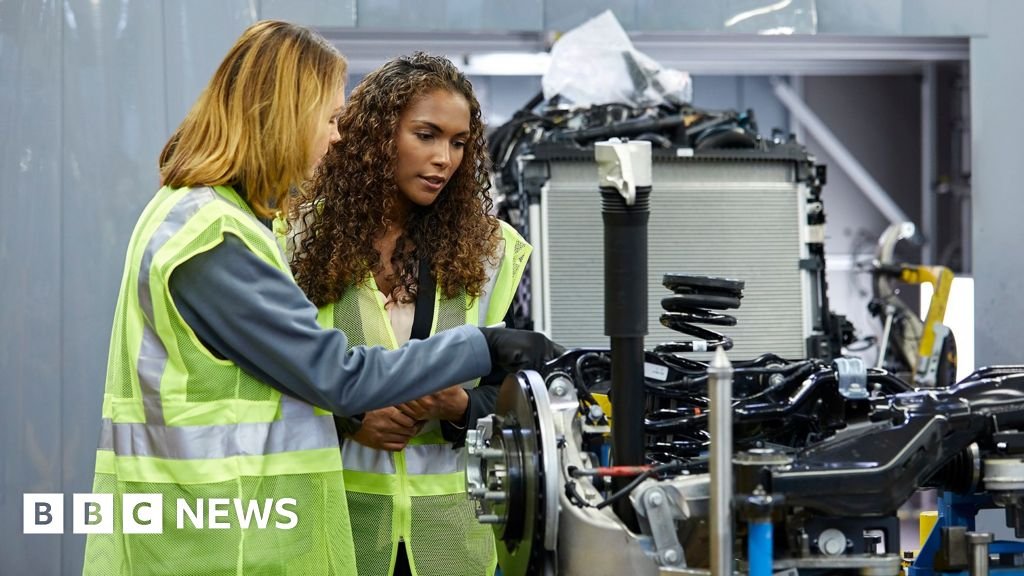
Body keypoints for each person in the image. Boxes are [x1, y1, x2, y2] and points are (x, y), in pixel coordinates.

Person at [83, 22, 561, 576]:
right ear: (283, 115)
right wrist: (480, 347)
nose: (338, 136)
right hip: (225, 546)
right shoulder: (224, 239)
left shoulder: (209, 221)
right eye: (330, 119)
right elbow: (335, 375)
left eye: (459, 143)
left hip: (431, 541)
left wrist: (460, 408)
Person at [289, 52, 528, 576]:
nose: (445, 158)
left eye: (459, 143)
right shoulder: (298, 239)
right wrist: (349, 419)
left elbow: (523, 395)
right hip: (336, 534)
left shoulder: (492, 252)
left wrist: (462, 406)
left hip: (453, 542)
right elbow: (269, 382)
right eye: (426, 135)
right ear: (378, 136)